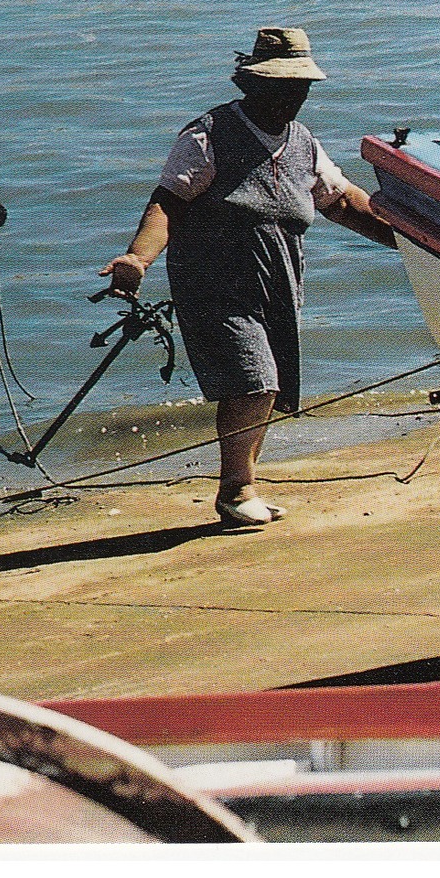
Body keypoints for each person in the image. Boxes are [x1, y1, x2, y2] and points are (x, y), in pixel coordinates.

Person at [100, 27, 396, 528]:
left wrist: (412, 241)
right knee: (254, 382)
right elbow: (167, 202)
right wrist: (137, 259)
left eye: (300, 87)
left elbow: (342, 201)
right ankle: (236, 492)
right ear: (251, 83)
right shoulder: (207, 136)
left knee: (269, 386)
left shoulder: (304, 144)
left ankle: (243, 486)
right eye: (281, 86)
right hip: (215, 286)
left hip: (278, 285)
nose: (292, 97)